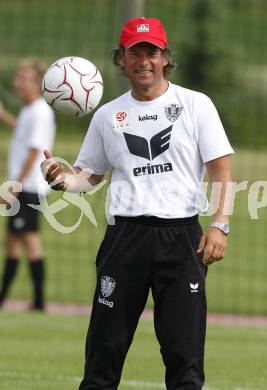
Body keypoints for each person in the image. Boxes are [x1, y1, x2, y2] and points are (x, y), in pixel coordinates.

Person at [42, 17, 233, 390]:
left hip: (181, 239)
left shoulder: (196, 105)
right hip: (124, 239)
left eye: (151, 52)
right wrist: (62, 178)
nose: (143, 60)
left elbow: (221, 171)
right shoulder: (107, 116)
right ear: (122, 60)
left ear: (165, 58)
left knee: (184, 357)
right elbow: (89, 176)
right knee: (103, 354)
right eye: (135, 53)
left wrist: (220, 224)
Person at [0, 59, 56, 311]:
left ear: (36, 83)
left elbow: (34, 151)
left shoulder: (40, 111)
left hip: (28, 187)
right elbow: (25, 132)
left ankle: (39, 302)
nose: (16, 83)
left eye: (22, 78)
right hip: (24, 186)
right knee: (12, 241)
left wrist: (15, 185)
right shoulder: (28, 110)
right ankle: (13, 299)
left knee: (30, 241)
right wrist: (4, 116)